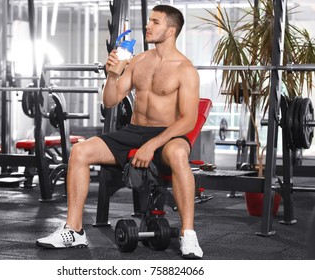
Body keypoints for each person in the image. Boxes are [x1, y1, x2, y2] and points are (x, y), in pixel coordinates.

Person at [36, 4, 203, 259]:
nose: (148, 25)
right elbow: (110, 101)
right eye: (149, 20)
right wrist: (112, 75)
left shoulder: (185, 69)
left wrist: (151, 146)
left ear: (171, 31)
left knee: (180, 155)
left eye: (155, 22)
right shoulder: (138, 61)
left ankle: (188, 234)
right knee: (80, 151)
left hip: (167, 133)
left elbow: (188, 120)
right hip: (134, 130)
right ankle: (74, 229)